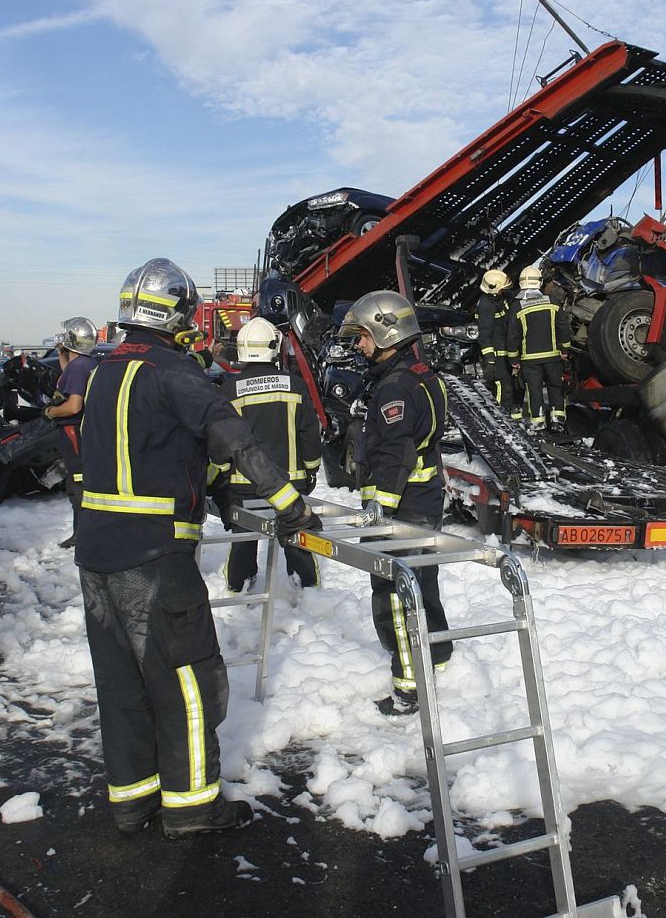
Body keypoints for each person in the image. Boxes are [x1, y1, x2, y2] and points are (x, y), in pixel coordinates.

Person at [76, 257, 319, 839]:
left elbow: (154, 451)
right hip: (154, 558)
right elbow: (232, 437)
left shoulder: (100, 372)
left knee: (122, 684)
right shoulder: (175, 372)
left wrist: (214, 494)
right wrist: (289, 504)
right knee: (187, 679)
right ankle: (193, 808)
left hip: (95, 552)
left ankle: (132, 802)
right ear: (180, 315)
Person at [339, 290, 453, 716]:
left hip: (402, 508)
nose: (359, 346)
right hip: (425, 500)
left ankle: (409, 688)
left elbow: (395, 453)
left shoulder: (394, 389)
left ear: (385, 333)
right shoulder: (425, 375)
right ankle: (436, 654)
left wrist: (379, 509)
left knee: (393, 593)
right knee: (423, 583)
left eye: (363, 337)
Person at [212, 317, 323, 594]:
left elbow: (219, 441)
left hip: (243, 485)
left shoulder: (229, 390)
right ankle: (305, 588)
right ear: (273, 348)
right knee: (297, 537)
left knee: (244, 538)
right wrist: (311, 469)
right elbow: (309, 433)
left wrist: (224, 470)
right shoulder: (294, 385)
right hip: (290, 485)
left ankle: (240, 585)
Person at [44, 317, 99, 549]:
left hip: (74, 430)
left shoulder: (78, 368)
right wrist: (62, 355)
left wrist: (52, 411)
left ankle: (81, 535)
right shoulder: (86, 364)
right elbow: (71, 374)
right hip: (85, 430)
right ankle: (83, 532)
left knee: (78, 483)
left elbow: (74, 405)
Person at [507, 265, 570, 431]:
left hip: (530, 360)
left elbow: (513, 336)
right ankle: (558, 420)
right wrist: (564, 350)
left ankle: (538, 421)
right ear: (540, 282)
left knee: (534, 390)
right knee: (555, 386)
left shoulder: (517, 307)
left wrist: (514, 359)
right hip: (553, 357)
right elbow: (563, 328)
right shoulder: (554, 303)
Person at [474, 269, 516, 416]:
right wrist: (490, 360)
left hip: (503, 352)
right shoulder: (486, 306)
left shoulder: (498, 300)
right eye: (502, 289)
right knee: (501, 386)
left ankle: (509, 417)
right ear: (494, 288)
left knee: (508, 387)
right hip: (496, 355)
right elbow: (484, 335)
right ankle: (499, 418)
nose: (504, 291)